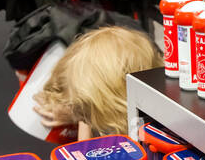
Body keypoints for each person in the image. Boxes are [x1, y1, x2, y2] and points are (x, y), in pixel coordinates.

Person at [33, 26, 162, 139]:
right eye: (83, 112)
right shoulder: (113, 112)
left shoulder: (151, 131)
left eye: (86, 113)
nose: (81, 118)